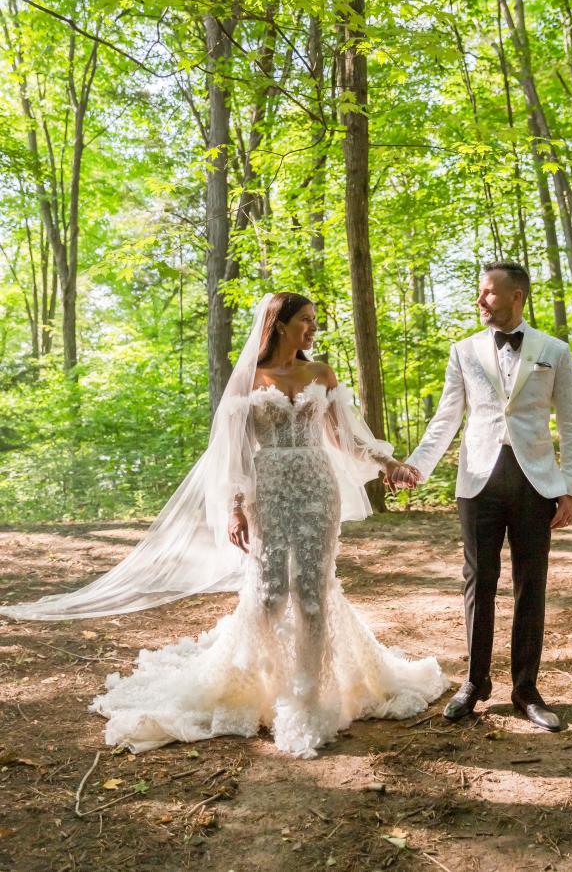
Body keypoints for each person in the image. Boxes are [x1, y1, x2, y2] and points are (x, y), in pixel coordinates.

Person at [1, 292, 447, 758]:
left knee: (314, 592)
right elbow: (233, 452)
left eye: (314, 321)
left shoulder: (321, 374)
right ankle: (260, 685)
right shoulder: (247, 381)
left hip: (318, 490)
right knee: (271, 592)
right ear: (278, 325)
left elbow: (345, 436)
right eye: (305, 321)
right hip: (267, 491)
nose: (313, 329)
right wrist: (235, 506)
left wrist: (390, 464)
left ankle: (306, 701)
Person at [392, 262, 572, 732]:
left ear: (516, 296)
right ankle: (475, 684)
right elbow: (446, 418)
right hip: (477, 480)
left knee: (529, 585)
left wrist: (571, 487)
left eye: (488, 294)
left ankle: (526, 689)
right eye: (480, 293)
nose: (480, 301)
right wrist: (415, 464)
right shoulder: (464, 350)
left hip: (535, 480)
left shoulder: (554, 351)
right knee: (479, 581)